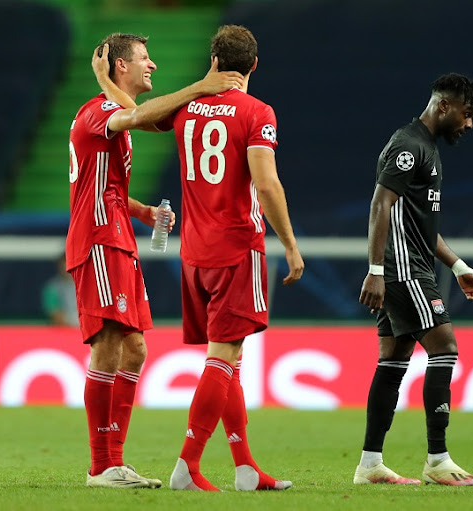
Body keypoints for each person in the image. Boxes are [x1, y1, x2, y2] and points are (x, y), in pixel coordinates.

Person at [72, 32, 243, 489]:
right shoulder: (99, 111)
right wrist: (201, 87)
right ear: (120, 67)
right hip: (99, 242)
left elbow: (103, 183)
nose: (153, 66)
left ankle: (114, 461)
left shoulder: (113, 114)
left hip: (119, 237)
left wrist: (143, 211)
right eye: (145, 59)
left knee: (136, 348)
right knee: (109, 344)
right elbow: (137, 116)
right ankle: (101, 465)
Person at [148, 25, 303, 492]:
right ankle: (187, 467)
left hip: (193, 253)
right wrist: (291, 246)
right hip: (237, 247)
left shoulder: (183, 109)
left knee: (229, 359)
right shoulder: (257, 112)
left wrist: (107, 82)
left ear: (213, 61)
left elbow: (134, 116)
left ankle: (245, 468)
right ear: (254, 65)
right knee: (224, 356)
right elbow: (267, 184)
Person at [356, 74, 473, 486]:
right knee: (445, 348)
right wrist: (376, 270)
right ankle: (437, 460)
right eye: (467, 115)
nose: (469, 125)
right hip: (403, 269)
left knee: (393, 361)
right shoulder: (409, 145)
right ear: (444, 106)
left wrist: (457, 265)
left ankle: (370, 464)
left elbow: (420, 225)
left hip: (411, 264)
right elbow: (381, 203)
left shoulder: (426, 147)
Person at [42, 252, 79, 327]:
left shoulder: (89, 286)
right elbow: (56, 317)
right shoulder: (52, 288)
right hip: (63, 333)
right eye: (64, 264)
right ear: (59, 266)